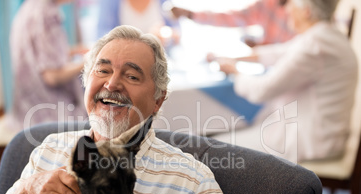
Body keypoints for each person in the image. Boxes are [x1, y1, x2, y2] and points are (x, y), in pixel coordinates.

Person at [0, 25, 260, 194]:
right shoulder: (50, 149)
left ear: (159, 100)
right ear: (86, 83)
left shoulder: (188, 176)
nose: (112, 84)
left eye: (132, 76)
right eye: (102, 71)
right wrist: (25, 190)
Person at [209, 0, 358, 163]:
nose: (286, 9)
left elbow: (262, 90)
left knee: (215, 151)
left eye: (291, 4)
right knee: (226, 139)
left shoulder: (316, 44)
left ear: (306, 11)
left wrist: (235, 72)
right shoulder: (325, 35)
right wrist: (232, 58)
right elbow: (279, 52)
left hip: (312, 143)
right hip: (323, 135)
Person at [10, 0, 88, 131]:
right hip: (45, 111)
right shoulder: (47, 15)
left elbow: (40, 56)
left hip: (23, 108)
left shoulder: (31, 7)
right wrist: (89, 61)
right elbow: (51, 76)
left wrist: (73, 51)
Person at [171, 0, 295, 47]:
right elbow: (232, 17)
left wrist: (263, 46)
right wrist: (191, 14)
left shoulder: (306, 10)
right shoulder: (267, 4)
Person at [96, 0, 179, 45]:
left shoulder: (165, 2)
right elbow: (102, 37)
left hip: (161, 61)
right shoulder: (109, 2)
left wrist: (166, 35)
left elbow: (176, 31)